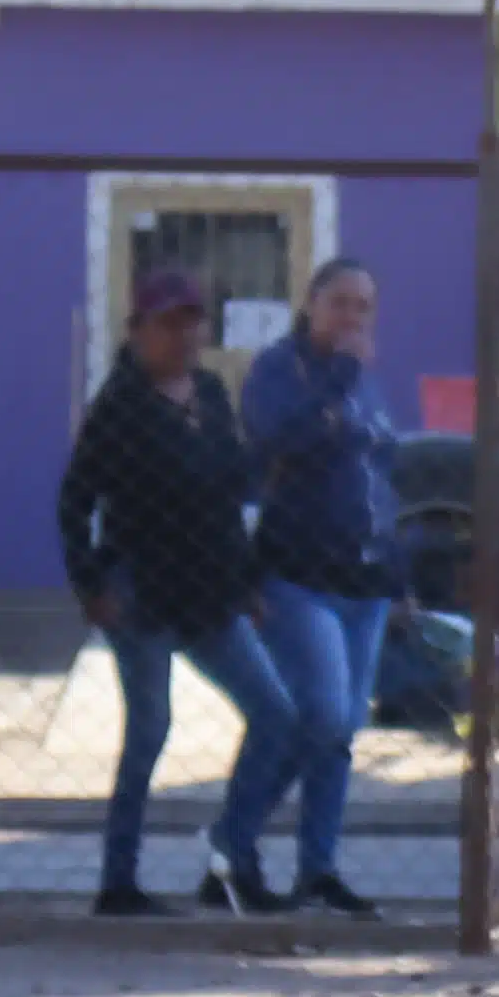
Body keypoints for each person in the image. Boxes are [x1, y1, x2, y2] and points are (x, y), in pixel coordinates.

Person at [55, 269, 302, 918]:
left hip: (212, 591)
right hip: (140, 595)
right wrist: (90, 583)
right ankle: (119, 883)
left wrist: (248, 580)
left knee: (277, 715)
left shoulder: (214, 395)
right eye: (167, 321)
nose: (184, 333)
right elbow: (75, 502)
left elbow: (229, 493)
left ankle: (233, 854)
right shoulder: (120, 407)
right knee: (150, 730)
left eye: (192, 320)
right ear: (138, 331)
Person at [239, 258, 405, 918]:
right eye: (340, 302)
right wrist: (337, 379)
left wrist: (399, 575)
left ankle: (318, 869)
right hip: (298, 577)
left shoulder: (367, 381)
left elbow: (381, 471)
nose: (352, 318)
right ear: (309, 304)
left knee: (339, 733)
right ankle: (234, 833)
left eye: (363, 306)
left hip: (364, 580)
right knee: (322, 716)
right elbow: (283, 439)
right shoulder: (278, 371)